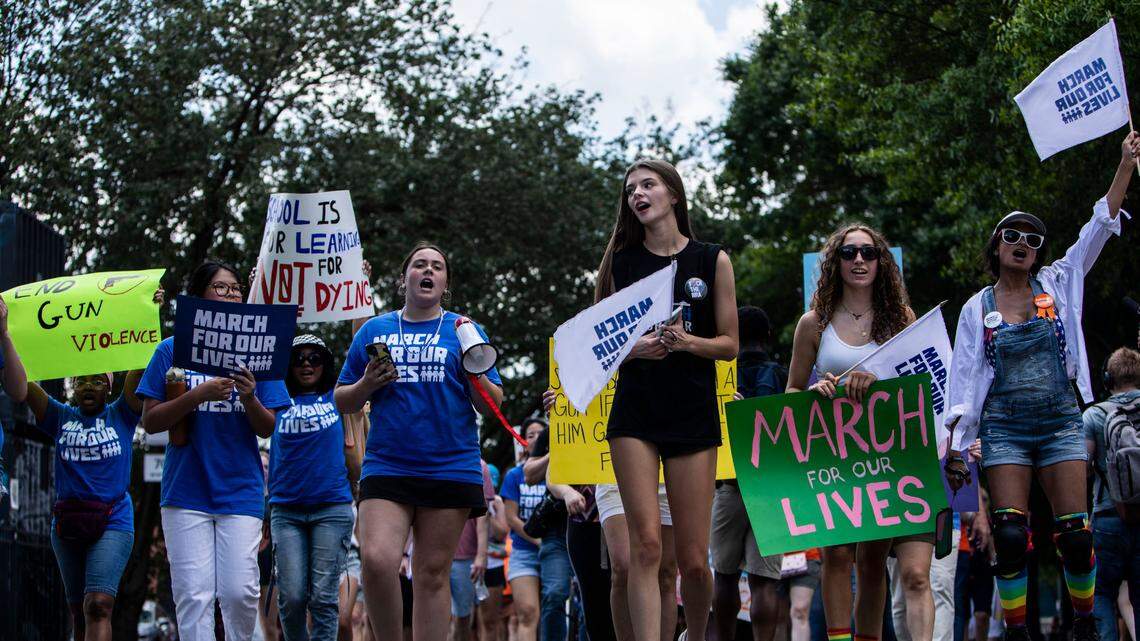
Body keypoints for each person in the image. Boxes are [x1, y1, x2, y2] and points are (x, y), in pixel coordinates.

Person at [945, 132, 1138, 641]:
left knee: (1075, 538)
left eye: (1033, 240)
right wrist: (959, 448)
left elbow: (1098, 227)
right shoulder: (975, 308)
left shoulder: (1060, 281)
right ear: (996, 246)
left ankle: (1082, 624)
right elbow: (962, 380)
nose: (1024, 245)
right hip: (1004, 427)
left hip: (1059, 421)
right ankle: (1015, 631)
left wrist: (1124, 164)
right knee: (1010, 534)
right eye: (1013, 236)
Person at [594, 158, 738, 641]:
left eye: (648, 184)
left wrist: (684, 343)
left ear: (673, 194)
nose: (637, 193)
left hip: (692, 414)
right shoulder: (621, 262)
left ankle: (695, 635)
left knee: (695, 562)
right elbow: (601, 347)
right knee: (647, 547)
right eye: (630, 188)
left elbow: (730, 344)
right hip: (634, 414)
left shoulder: (711, 258)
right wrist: (639, 348)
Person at [336, 242, 503, 641]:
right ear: (404, 278)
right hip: (388, 464)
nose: (428, 271)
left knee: (431, 573)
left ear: (444, 283)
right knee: (377, 561)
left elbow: (493, 404)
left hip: (450, 465)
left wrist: (473, 372)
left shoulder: (463, 328)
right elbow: (342, 397)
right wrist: (367, 383)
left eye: (437, 267)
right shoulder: (376, 329)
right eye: (419, 265)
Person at [138, 260, 292, 641]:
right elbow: (151, 421)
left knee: (240, 593)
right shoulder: (171, 350)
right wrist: (198, 394)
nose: (231, 294)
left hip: (239, 491)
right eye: (221, 288)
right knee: (194, 595)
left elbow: (268, 426)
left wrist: (250, 396)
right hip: (185, 492)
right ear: (198, 296)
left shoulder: (258, 350)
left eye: (236, 289)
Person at [786, 223, 920, 641]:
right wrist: (814, 390)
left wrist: (875, 383)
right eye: (848, 253)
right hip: (831, 453)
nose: (858, 260)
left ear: (882, 262)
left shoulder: (902, 320)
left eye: (867, 252)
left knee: (874, 559)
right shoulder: (813, 323)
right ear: (834, 263)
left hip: (884, 453)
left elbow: (919, 385)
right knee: (836, 555)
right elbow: (791, 389)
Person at [269, 334, 356, 640]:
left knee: (323, 598)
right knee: (291, 597)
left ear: (325, 364)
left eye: (314, 358)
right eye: (298, 359)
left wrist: (363, 287)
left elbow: (357, 342)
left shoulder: (338, 395)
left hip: (331, 509)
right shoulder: (276, 397)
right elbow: (258, 343)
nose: (306, 365)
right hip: (287, 510)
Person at [711, 305, 786, 641]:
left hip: (728, 485)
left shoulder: (719, 376)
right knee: (764, 582)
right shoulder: (784, 376)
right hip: (771, 488)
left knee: (724, 576)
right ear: (768, 336)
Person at [1084, 347, 1140, 641]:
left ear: (1107, 378)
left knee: (1103, 593)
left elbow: (1083, 467)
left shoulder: (1094, 415)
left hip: (1108, 514)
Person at [501, 419, 549, 641]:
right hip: (523, 553)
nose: (536, 438)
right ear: (522, 440)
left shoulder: (560, 472)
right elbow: (511, 517)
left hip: (555, 551)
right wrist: (536, 540)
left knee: (552, 611)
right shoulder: (514, 476)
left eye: (541, 433)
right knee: (528, 613)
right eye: (530, 434)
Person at [450, 460, 494, 641]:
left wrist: (481, 555)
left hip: (464, 556)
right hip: (429, 553)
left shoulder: (478, 464)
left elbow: (483, 515)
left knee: (462, 616)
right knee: (436, 613)